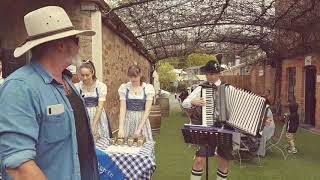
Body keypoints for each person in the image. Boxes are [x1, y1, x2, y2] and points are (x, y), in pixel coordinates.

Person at [0, 6, 99, 180]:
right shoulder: (20, 88)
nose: (79, 45)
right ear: (61, 44)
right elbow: (19, 167)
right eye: (76, 39)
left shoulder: (67, 80)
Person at [182, 60, 232, 180]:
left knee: (224, 161)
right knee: (199, 160)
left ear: (218, 74)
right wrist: (193, 102)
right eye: (207, 74)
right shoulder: (201, 88)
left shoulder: (228, 89)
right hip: (206, 129)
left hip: (224, 129)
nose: (209, 76)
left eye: (212, 74)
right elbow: (185, 103)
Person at [75, 60, 112, 140]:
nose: (84, 78)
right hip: (83, 116)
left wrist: (93, 125)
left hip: (98, 117)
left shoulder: (100, 86)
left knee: (100, 140)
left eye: (87, 75)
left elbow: (100, 107)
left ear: (93, 73)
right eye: (82, 75)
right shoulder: (77, 87)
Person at [117, 65, 155, 141]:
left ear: (140, 75)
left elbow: (147, 110)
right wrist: (121, 128)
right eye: (131, 77)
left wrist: (139, 129)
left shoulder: (148, 88)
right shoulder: (124, 88)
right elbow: (123, 108)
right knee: (127, 145)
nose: (133, 79)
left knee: (142, 145)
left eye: (135, 76)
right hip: (128, 120)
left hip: (142, 120)